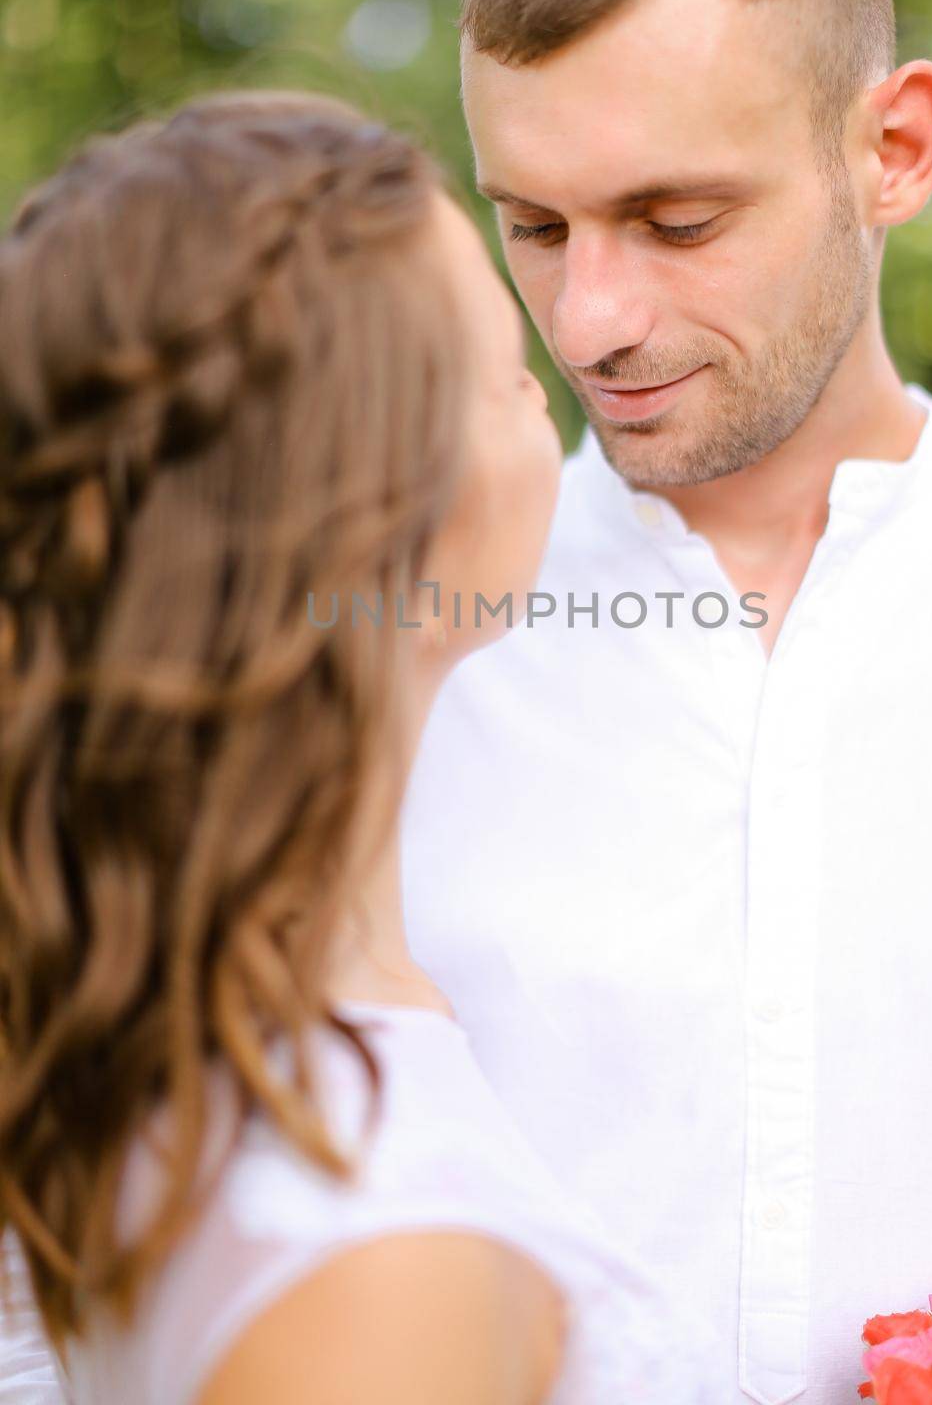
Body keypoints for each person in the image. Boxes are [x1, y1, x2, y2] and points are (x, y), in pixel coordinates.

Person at [399, 0, 932, 1405]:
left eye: (679, 221)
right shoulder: (390, 660)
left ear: (893, 151)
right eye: (537, 228)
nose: (594, 320)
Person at [0, 92, 712, 1404]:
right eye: (505, 367)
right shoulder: (374, 1253)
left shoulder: (149, 1023)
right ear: (387, 501)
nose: (565, 366)